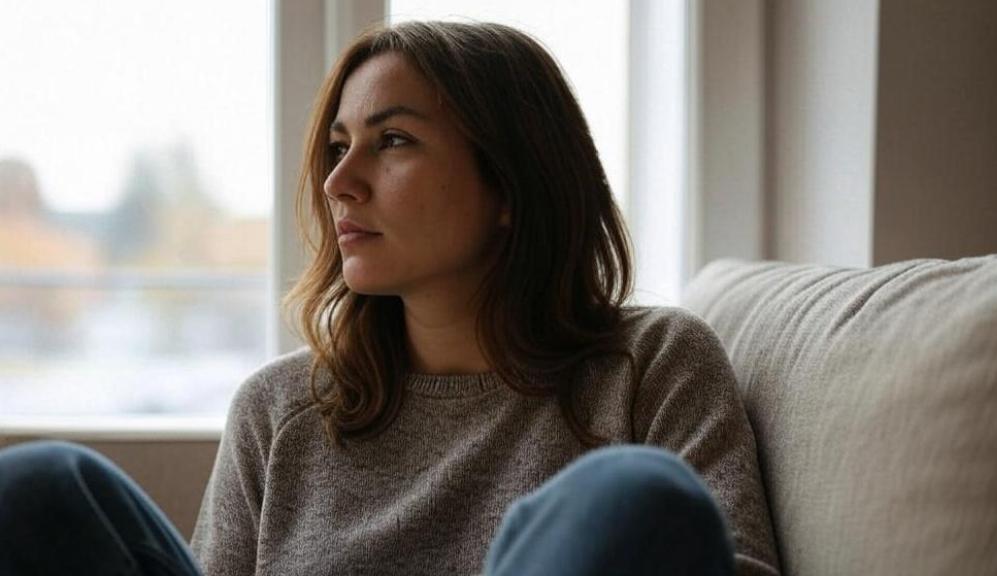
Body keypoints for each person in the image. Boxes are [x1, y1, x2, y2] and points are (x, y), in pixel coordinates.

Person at [0, 21, 779, 576]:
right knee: (41, 488)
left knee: (635, 497)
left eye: (393, 140)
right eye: (339, 148)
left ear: (512, 183)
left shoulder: (650, 365)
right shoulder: (279, 411)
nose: (340, 183)